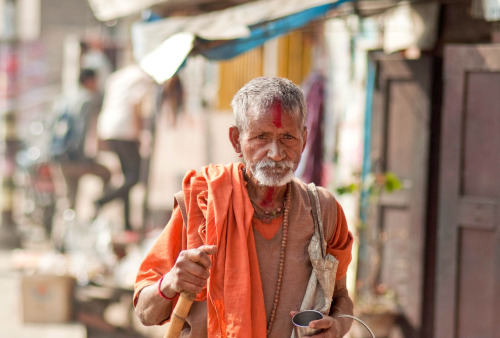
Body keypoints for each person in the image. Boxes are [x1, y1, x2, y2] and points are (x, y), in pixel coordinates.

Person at [133, 77, 354, 337]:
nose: (275, 153)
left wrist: (336, 327)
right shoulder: (203, 202)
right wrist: (170, 283)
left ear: (304, 139)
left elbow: (341, 298)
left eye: (287, 137)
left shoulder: (324, 212)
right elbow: (145, 312)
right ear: (236, 140)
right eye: (261, 137)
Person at [95, 64, 154, 232]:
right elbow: (135, 106)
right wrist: (140, 134)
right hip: (124, 130)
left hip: (108, 128)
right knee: (134, 177)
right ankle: (102, 201)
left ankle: (127, 224)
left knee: (128, 177)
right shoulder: (141, 78)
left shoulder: (119, 76)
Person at [51, 68, 111, 210]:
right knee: (106, 174)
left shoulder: (66, 97)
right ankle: (96, 212)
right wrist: (83, 157)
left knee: (69, 197)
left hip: (60, 155)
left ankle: (64, 229)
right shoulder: (87, 99)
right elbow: (82, 129)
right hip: (74, 157)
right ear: (89, 81)